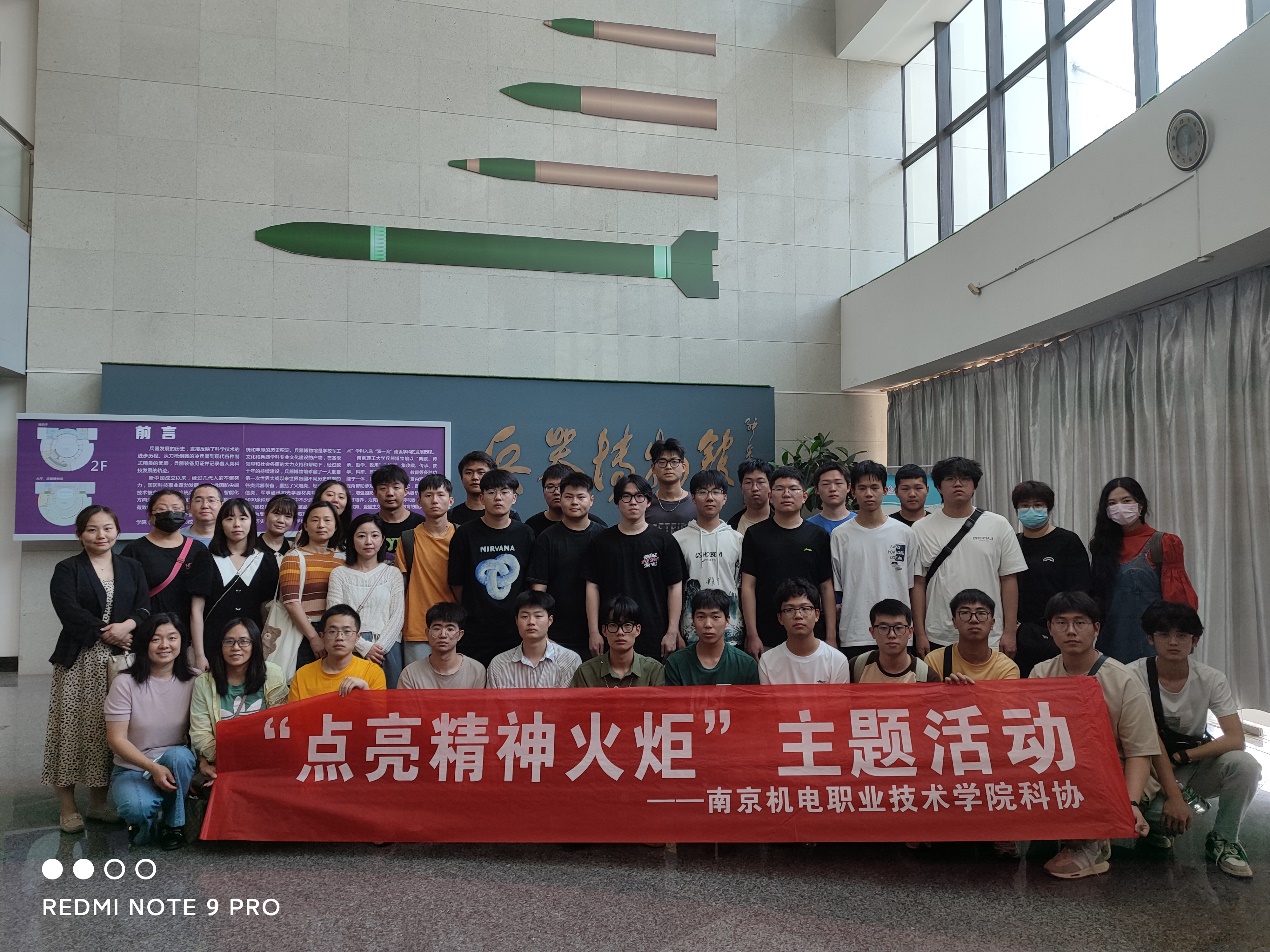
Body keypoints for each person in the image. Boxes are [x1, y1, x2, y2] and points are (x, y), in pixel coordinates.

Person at [1128, 601, 1260, 877]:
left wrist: (1184, 756)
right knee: (1150, 816)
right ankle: (1158, 829)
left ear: (1195, 641)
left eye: (1182, 635)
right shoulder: (1132, 675)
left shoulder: (1211, 679)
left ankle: (1225, 839)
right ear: (1150, 639)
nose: (1173, 642)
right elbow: (1144, 737)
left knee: (1245, 765)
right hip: (1149, 770)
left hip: (1190, 765)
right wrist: (1174, 796)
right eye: (1164, 634)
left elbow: (1235, 738)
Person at [1030, 591, 1156, 878]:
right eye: (1061, 623)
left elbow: (1139, 752)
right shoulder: (1040, 673)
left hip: (1115, 770)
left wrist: (1130, 804)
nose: (1071, 631)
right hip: (1061, 766)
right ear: (1050, 629)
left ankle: (1090, 845)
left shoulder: (1123, 680)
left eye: (1080, 622)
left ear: (1096, 628)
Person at [44, 505, 151, 835]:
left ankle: (99, 804)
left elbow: (144, 605)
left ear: (117, 531)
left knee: (109, 730)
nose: (100, 535)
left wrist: (128, 626)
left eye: (107, 528)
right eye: (91, 529)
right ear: (80, 534)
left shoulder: (131, 566)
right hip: (79, 660)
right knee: (71, 730)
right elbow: (68, 611)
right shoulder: (67, 568)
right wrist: (110, 633)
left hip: (120, 662)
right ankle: (67, 807)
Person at [911, 456, 1026, 656]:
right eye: (950, 479)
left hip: (990, 633)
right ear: (938, 487)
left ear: (974, 486)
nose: (958, 484)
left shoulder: (998, 525)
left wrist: (1009, 632)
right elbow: (918, 583)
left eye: (964, 478)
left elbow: (1008, 579)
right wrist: (920, 634)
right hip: (939, 633)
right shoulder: (920, 529)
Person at [104, 613, 198, 850]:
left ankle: (173, 825)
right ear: (145, 643)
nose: (165, 645)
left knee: (180, 756)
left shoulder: (196, 680)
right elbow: (116, 739)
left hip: (174, 764)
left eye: (172, 638)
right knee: (137, 808)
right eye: (156, 639)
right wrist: (152, 768)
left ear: (182, 641)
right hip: (132, 767)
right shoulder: (125, 683)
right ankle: (144, 821)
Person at [1089, 476, 1198, 664]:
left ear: (1140, 505)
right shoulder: (1101, 547)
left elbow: (1177, 599)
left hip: (1153, 642)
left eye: (1126, 501)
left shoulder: (1164, 543)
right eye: (1112, 503)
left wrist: (1178, 639)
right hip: (1111, 641)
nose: (1119, 507)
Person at [583, 474, 685, 660]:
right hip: (612, 633)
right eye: (626, 496)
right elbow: (592, 587)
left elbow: (675, 587)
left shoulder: (664, 541)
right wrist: (594, 631)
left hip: (655, 632)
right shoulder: (601, 542)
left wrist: (672, 630)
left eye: (639, 496)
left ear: (648, 501)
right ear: (617, 502)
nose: (633, 502)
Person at [741, 466, 836, 658]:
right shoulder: (755, 535)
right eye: (779, 489)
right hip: (767, 635)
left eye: (793, 489)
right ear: (770, 496)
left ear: (804, 496)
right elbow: (748, 586)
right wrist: (752, 634)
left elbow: (826, 587)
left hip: (812, 635)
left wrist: (831, 636)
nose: (786, 494)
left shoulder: (818, 536)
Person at [447, 469, 537, 666]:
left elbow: (531, 581)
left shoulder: (525, 533)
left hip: (515, 629)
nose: (498, 497)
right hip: (475, 630)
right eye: (491, 492)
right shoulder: (465, 534)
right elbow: (456, 582)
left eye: (504, 492)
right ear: (481, 498)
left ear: (514, 498)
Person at [831, 459, 919, 659]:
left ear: (885, 490)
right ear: (853, 492)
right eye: (862, 488)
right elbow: (836, 589)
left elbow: (913, 586)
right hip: (855, 633)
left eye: (874, 487)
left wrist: (918, 632)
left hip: (899, 632)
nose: (868, 494)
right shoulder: (840, 535)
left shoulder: (905, 533)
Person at [122, 489, 214, 671]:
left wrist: (199, 653)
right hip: (145, 637)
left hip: (182, 639)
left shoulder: (198, 551)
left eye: (177, 509)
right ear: (150, 516)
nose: (170, 513)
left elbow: (198, 607)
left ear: (185, 514)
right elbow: (124, 599)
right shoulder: (133, 550)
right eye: (162, 509)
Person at [1011, 480, 1093, 677]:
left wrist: (1063, 625)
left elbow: (1079, 592)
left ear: (1049, 509)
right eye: (1024, 505)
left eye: (1038, 505)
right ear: (1016, 510)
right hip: (1018, 635)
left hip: (1059, 632)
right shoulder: (1012, 542)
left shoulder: (1067, 541)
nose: (1031, 510)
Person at [189, 618, 287, 780]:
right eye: (229, 641)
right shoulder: (204, 683)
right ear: (220, 645)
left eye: (243, 641)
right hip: (222, 762)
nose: (235, 647)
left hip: (266, 761)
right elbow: (200, 733)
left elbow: (280, 724)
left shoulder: (273, 674)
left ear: (254, 644)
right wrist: (230, 759)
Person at [527, 471, 606, 659]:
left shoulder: (603, 537)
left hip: (598, 631)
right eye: (568, 497)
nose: (574, 502)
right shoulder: (546, 538)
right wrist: (543, 631)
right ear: (560, 499)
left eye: (581, 497)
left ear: (591, 500)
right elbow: (539, 588)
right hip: (557, 631)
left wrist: (597, 631)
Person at [328, 514, 405, 688]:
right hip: (349, 645)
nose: (368, 541)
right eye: (361, 536)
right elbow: (334, 616)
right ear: (352, 540)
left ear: (382, 540)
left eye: (375, 535)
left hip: (386, 649)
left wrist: (379, 648)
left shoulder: (392, 573)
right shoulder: (339, 574)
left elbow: (397, 616)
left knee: (387, 698)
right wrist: (363, 646)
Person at [674, 469, 744, 649]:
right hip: (690, 631)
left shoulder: (738, 539)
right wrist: (674, 631)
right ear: (693, 498)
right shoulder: (678, 540)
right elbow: (674, 589)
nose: (710, 498)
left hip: (731, 631)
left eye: (716, 492)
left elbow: (743, 587)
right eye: (703, 492)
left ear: (725, 498)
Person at [398, 474, 457, 668]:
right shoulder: (408, 539)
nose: (434, 501)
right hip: (418, 628)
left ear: (451, 501)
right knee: (417, 684)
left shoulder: (461, 535)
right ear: (418, 501)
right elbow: (400, 586)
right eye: (428, 495)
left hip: (454, 626)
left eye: (440, 495)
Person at [278, 501, 344, 673]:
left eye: (327, 520)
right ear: (306, 526)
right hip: (303, 632)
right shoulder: (293, 557)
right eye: (315, 520)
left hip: (336, 630)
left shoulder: (343, 559)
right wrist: (314, 637)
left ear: (336, 526)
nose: (321, 525)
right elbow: (291, 602)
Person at [203, 498, 279, 642]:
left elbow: (266, 608)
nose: (237, 524)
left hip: (252, 640)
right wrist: (199, 650)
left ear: (252, 522)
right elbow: (197, 609)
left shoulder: (265, 559)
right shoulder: (206, 558)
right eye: (229, 518)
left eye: (243, 518)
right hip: (213, 639)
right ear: (220, 524)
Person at [758, 578, 850, 684]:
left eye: (805, 608)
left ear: (817, 614)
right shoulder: (768, 661)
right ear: (780, 618)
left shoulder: (837, 660)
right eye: (789, 610)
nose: (798, 615)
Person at [287, 604, 388, 700]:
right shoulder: (302, 675)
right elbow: (294, 712)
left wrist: (365, 689)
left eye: (347, 631)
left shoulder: (372, 672)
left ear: (357, 637)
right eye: (332, 632)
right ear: (322, 636)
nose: (339, 637)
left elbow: (380, 712)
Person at [486, 591, 581, 688]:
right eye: (524, 616)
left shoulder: (569, 660)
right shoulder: (499, 664)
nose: (531, 622)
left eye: (538, 616)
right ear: (516, 621)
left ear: (550, 620)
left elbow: (572, 698)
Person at [664, 589, 759, 686]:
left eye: (715, 617)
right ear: (693, 620)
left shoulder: (746, 664)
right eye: (701, 617)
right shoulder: (676, 663)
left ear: (727, 620)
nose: (708, 624)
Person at [924, 590, 1020, 682]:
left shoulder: (1006, 668)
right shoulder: (935, 660)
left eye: (981, 613)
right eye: (965, 613)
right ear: (954, 622)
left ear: (992, 623)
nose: (974, 619)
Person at [571, 595, 666, 687]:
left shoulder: (653, 670)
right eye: (613, 625)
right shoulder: (586, 672)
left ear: (637, 630)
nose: (620, 632)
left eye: (627, 625)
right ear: (604, 630)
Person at [397, 603, 487, 689]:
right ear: (427, 633)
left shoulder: (476, 671)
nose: (443, 635)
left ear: (460, 635)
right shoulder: (410, 673)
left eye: (450, 629)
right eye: (437, 629)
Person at [850, 600, 939, 683]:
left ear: (910, 632)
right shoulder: (856, 667)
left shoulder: (927, 677)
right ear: (872, 632)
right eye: (883, 628)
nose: (891, 635)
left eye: (899, 628)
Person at [449, 451, 523, 526]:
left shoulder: (510, 515)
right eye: (468, 473)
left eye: (481, 472)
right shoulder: (451, 515)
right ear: (461, 478)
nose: (475, 477)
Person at [644, 437, 698, 534]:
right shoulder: (645, 506)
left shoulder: (696, 504)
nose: (668, 467)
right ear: (653, 468)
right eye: (662, 462)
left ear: (683, 467)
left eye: (674, 462)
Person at [370, 464, 422, 560]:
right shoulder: (369, 525)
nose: (390, 493)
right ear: (375, 493)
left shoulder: (421, 524)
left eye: (396, 487)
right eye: (383, 488)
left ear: (406, 491)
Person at [727, 458, 773, 535]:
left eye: (760, 482)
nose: (755, 488)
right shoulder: (731, 527)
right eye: (748, 482)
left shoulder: (783, 521)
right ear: (741, 488)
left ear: (770, 486)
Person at [807, 462, 854, 534]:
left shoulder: (861, 523)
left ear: (848, 487)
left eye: (838, 483)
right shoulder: (808, 527)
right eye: (826, 484)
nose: (832, 489)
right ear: (817, 490)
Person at [525, 463, 570, 536]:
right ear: (543, 492)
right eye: (550, 487)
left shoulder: (586, 522)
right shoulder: (531, 525)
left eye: (561, 487)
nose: (556, 492)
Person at [311, 479, 353, 549]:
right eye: (330, 495)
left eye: (341, 497)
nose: (335, 500)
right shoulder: (307, 532)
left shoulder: (352, 533)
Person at [256, 493, 297, 561]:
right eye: (277, 513)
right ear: (266, 515)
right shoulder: (251, 547)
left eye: (288, 516)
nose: (281, 520)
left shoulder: (294, 550)